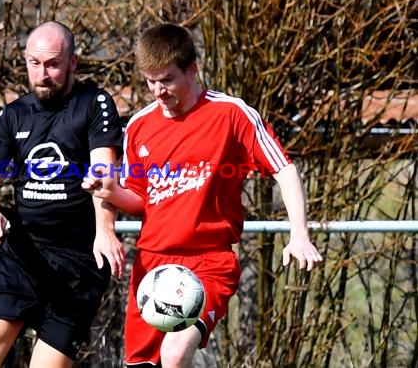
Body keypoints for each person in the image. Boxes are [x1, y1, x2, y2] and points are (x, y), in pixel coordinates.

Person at [82, 23, 324, 368]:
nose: (157, 91)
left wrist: (298, 233)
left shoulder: (231, 114)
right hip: (153, 265)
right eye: (150, 81)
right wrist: (111, 192)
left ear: (192, 70)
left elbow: (283, 169)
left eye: (166, 79)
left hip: (209, 263)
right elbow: (140, 200)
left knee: (175, 352)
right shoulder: (138, 126)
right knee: (143, 364)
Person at [0, 21, 125, 368]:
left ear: (73, 62)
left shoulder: (94, 103)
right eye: (34, 63)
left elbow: (103, 172)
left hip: (78, 260)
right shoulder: (14, 113)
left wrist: (105, 230)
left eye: (53, 64)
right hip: (23, 253)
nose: (43, 74)